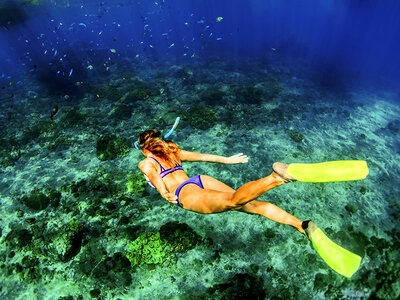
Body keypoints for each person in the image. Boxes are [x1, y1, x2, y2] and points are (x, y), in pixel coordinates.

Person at [137, 129, 306, 234]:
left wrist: (164, 193)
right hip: (200, 180)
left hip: (184, 193)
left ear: (145, 149)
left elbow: (155, 177)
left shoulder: (146, 162)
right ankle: (300, 225)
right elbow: (203, 157)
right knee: (250, 204)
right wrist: (228, 160)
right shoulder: (173, 153)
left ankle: (275, 178)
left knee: (234, 201)